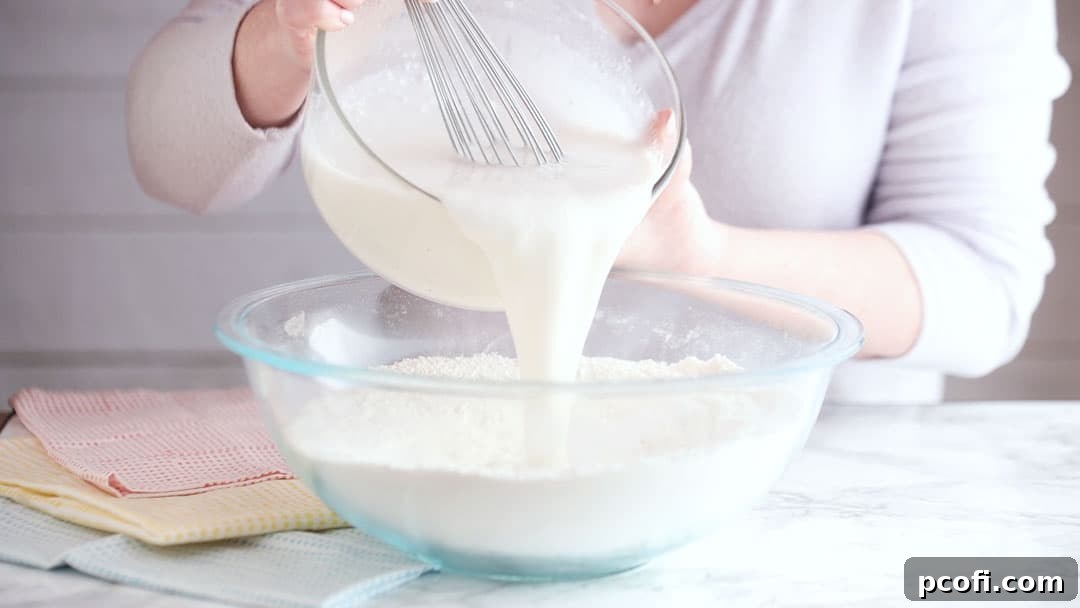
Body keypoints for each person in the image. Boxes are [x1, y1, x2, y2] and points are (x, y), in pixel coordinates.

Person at [127, 0, 1070, 404]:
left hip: (801, 498)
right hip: (434, 466)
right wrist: (279, 36)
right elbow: (173, 160)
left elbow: (983, 286)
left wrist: (699, 256)